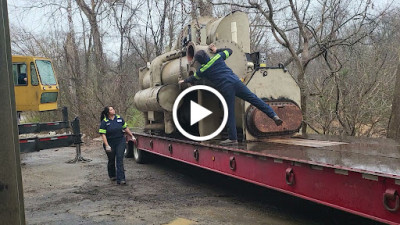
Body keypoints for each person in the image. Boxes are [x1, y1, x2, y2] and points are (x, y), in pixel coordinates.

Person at [178, 44, 283, 145]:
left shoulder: (203, 70)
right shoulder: (218, 57)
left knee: (230, 112)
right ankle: (273, 115)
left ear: (199, 62)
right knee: (254, 99)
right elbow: (230, 51)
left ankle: (233, 139)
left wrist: (184, 81)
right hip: (237, 82)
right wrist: (216, 50)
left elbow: (193, 77)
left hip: (227, 88)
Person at [99, 106, 135, 185]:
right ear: (108, 112)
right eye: (111, 109)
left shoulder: (119, 118)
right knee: (111, 160)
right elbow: (103, 135)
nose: (113, 110)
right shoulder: (104, 122)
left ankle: (121, 179)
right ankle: (112, 175)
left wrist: (131, 135)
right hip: (110, 142)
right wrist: (107, 145)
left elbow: (125, 128)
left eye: (113, 109)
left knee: (119, 159)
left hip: (120, 141)